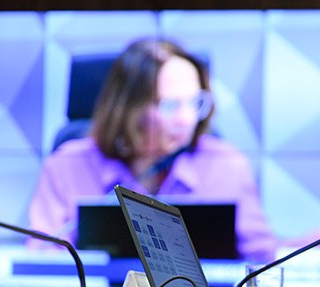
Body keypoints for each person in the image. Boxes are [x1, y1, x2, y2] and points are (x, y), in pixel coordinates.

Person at [28, 38, 277, 262]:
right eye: (169, 105)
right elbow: (42, 261)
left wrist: (303, 248)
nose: (186, 119)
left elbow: (262, 258)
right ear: (127, 108)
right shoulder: (66, 165)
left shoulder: (226, 164)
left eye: (195, 103)